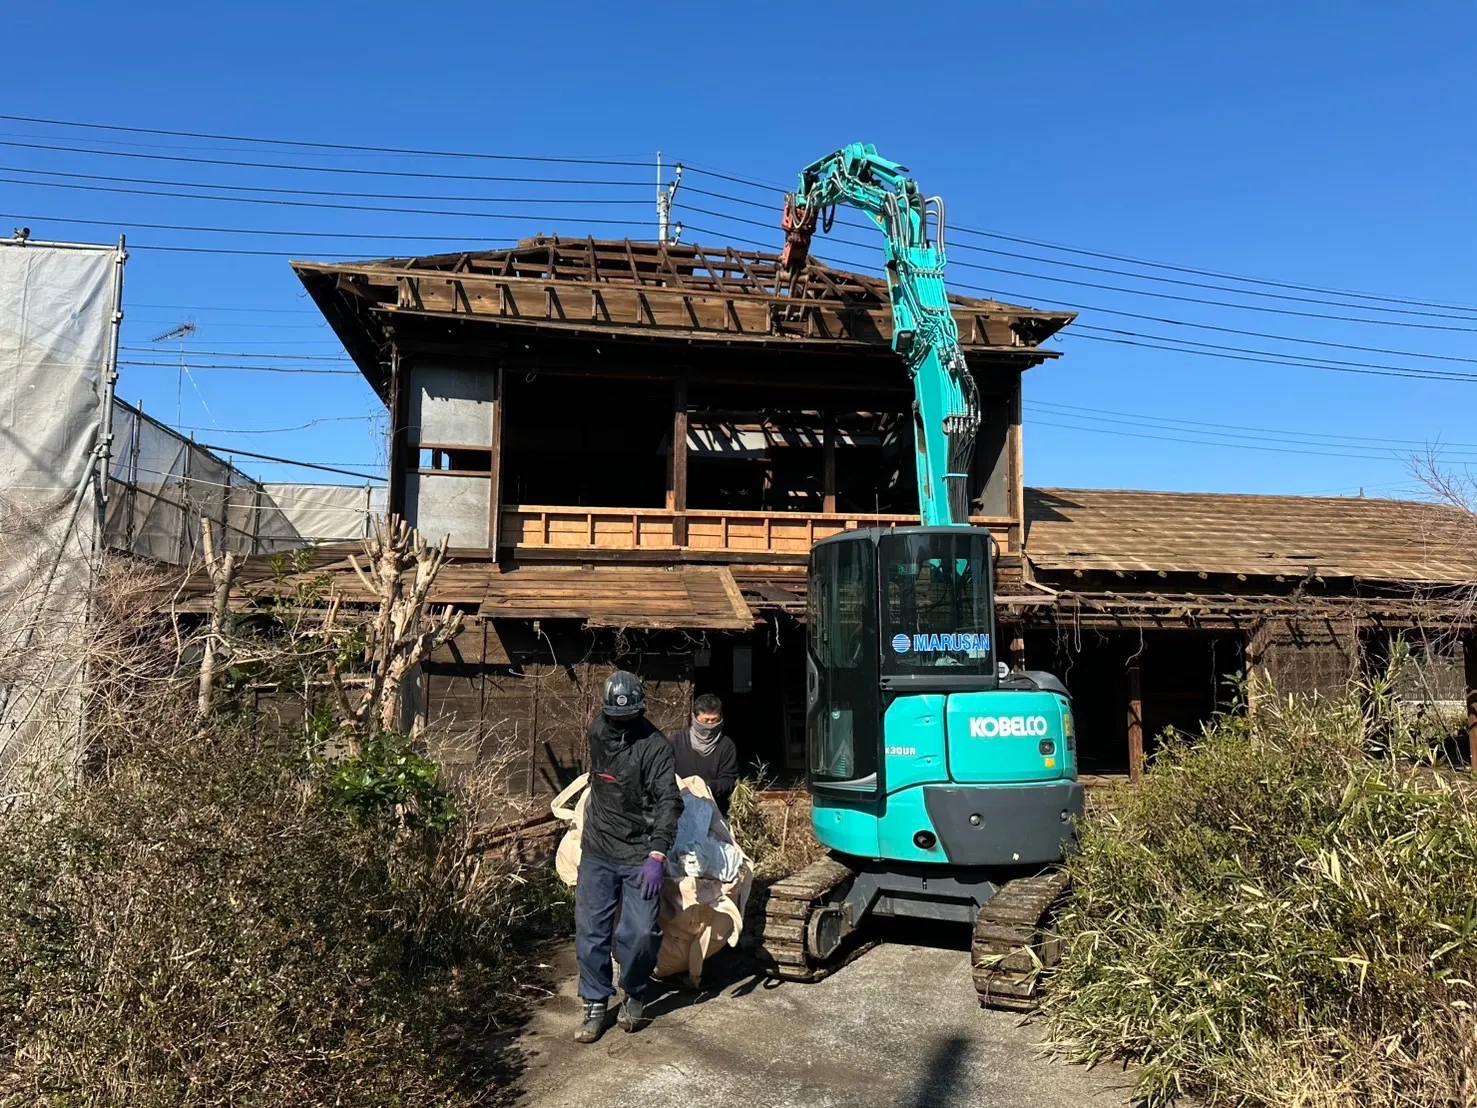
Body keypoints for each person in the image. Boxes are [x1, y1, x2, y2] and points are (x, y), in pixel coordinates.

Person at [573, 670, 682, 1045]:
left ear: (640, 710)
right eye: (612, 716)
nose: (618, 722)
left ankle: (634, 991)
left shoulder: (655, 746)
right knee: (591, 932)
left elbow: (670, 800)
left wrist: (658, 852)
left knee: (638, 934)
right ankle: (595, 1003)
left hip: (639, 851)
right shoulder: (596, 731)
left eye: (626, 716)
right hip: (599, 848)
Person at [667, 693, 740, 818]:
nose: (710, 725)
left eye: (714, 720)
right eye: (705, 721)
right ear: (695, 718)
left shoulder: (726, 746)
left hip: (714, 811)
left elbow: (729, 780)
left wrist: (706, 786)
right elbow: (663, 773)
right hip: (679, 809)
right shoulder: (676, 740)